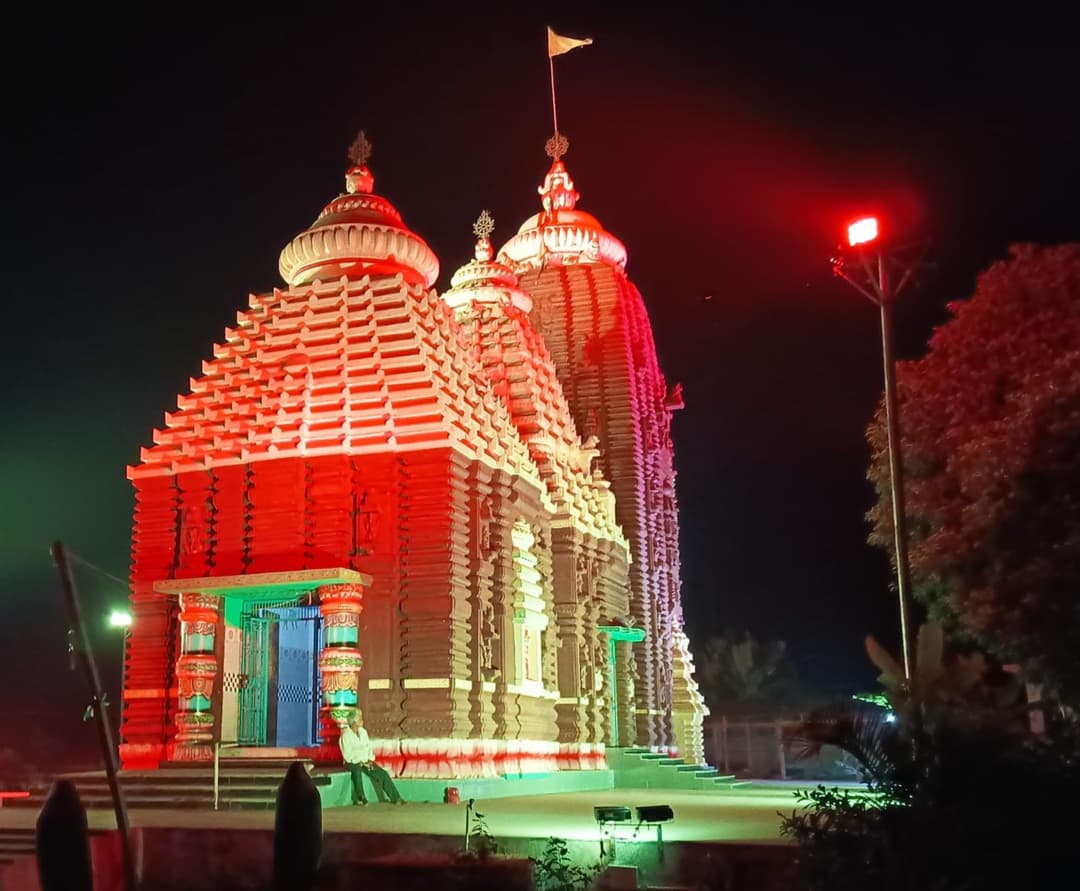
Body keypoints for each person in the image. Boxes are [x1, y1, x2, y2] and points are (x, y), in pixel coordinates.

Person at [338, 711, 404, 805]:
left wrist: (369, 760)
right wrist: (361, 762)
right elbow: (348, 755)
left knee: (382, 773)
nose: (362, 720)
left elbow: (368, 748)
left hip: (366, 761)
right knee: (357, 770)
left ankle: (396, 798)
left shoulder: (363, 732)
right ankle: (362, 797)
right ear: (354, 722)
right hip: (352, 762)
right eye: (360, 718)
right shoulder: (346, 736)